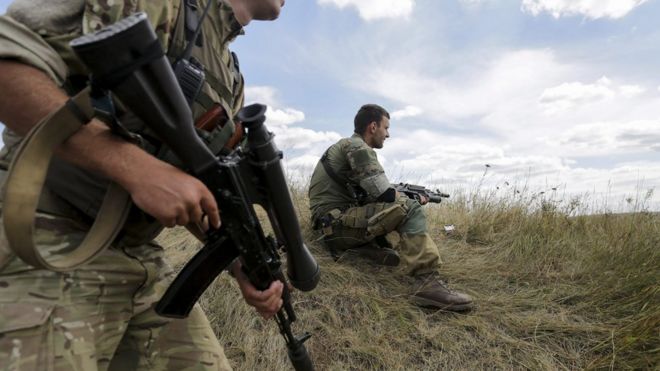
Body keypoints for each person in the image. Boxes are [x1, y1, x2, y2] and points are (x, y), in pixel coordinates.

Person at [0, 0, 286, 369]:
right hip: (46, 236)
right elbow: (7, 59)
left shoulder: (231, 77)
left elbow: (201, 187)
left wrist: (239, 262)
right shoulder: (158, 5)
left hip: (140, 258)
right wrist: (134, 168)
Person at [308, 104, 473, 311]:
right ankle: (427, 284)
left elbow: (370, 196)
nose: (388, 134)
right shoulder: (358, 148)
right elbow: (385, 194)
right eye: (386, 128)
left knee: (392, 221)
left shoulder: (344, 146)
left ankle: (362, 251)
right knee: (410, 208)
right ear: (373, 126)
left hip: (329, 228)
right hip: (336, 225)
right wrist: (410, 198)